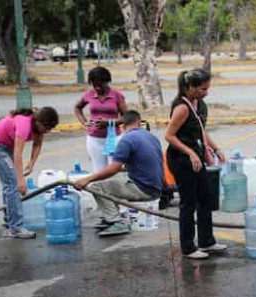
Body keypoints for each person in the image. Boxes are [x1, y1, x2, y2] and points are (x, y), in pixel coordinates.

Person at [165, 68, 227, 259]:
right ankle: (188, 247)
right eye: (202, 89)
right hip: (180, 158)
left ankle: (207, 241)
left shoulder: (199, 104)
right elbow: (169, 136)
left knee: (205, 198)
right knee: (188, 202)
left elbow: (201, 130)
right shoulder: (182, 107)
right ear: (189, 87)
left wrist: (214, 148)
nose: (205, 93)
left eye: (207, 89)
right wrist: (191, 152)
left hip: (196, 158)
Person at [74, 110, 164, 237]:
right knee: (111, 182)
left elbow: (114, 169)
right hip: (157, 187)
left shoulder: (127, 139)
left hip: (143, 189)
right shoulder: (151, 137)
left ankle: (116, 221)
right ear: (139, 122)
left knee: (96, 187)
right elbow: (137, 165)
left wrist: (87, 179)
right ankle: (110, 217)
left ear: (122, 125)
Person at [0, 107, 59, 238]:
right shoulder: (24, 124)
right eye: (47, 127)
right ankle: (16, 228)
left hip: (6, 147)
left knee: (9, 184)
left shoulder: (38, 126)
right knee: (13, 185)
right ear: (39, 123)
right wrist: (21, 181)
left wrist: (31, 163)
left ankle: (10, 222)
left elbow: (37, 144)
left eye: (50, 128)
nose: (48, 131)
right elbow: (18, 154)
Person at [74, 66, 127, 173]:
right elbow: (77, 107)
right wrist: (84, 121)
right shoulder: (89, 95)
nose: (97, 88)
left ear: (107, 81)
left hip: (114, 138)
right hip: (94, 139)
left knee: (114, 169)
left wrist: (109, 122)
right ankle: (100, 189)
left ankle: (114, 189)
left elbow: (126, 117)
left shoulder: (117, 96)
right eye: (94, 85)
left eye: (100, 85)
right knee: (99, 171)